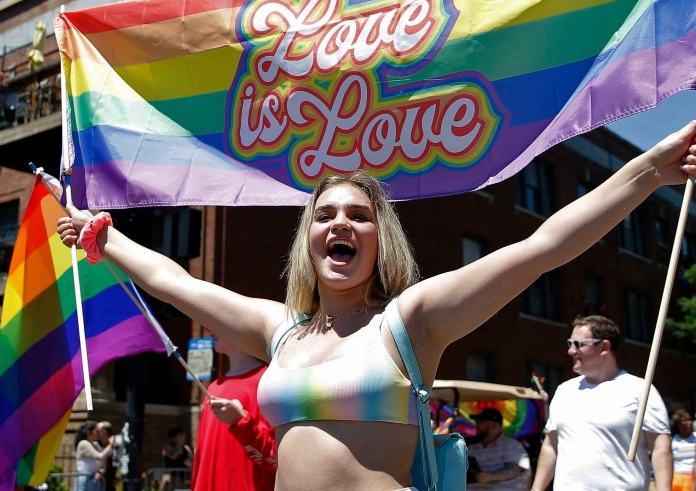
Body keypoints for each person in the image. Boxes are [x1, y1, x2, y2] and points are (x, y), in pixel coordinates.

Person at [57, 120, 696, 491]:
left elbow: (543, 245)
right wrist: (103, 237)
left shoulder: (410, 322)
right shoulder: (276, 329)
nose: (341, 224)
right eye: (325, 214)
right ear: (308, 241)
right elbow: (176, 281)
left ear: (378, 238)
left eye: (359, 216)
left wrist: (649, 171)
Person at [530, 315, 672, 491]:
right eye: (570, 343)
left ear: (604, 346)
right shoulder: (564, 391)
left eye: (578, 344)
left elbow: (660, 447)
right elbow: (551, 446)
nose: (570, 351)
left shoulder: (639, 390)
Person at [192, 337, 276, 490]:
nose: (211, 329)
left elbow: (274, 459)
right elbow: (201, 457)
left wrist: (241, 422)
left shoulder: (269, 382)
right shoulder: (212, 388)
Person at [467, 407, 530, 489]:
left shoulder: (511, 445)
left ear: (494, 425)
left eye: (480, 422)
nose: (477, 425)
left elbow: (515, 469)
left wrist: (490, 476)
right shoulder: (471, 448)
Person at [73, 420, 113, 491]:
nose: (98, 434)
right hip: (85, 479)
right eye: (96, 431)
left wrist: (101, 471)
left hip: (96, 479)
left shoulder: (95, 444)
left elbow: (103, 462)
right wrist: (110, 445)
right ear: (88, 432)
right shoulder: (83, 444)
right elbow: (99, 456)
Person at [670, 410, 696, 491]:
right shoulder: (673, 441)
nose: (689, 423)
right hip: (678, 479)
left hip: (693, 477)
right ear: (678, 425)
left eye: (690, 420)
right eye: (686, 421)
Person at [95, 421, 116, 491]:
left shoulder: (116, 445)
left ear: (104, 431)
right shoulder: (95, 445)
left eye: (98, 430)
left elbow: (122, 460)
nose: (96, 431)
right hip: (97, 482)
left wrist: (120, 477)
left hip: (110, 484)